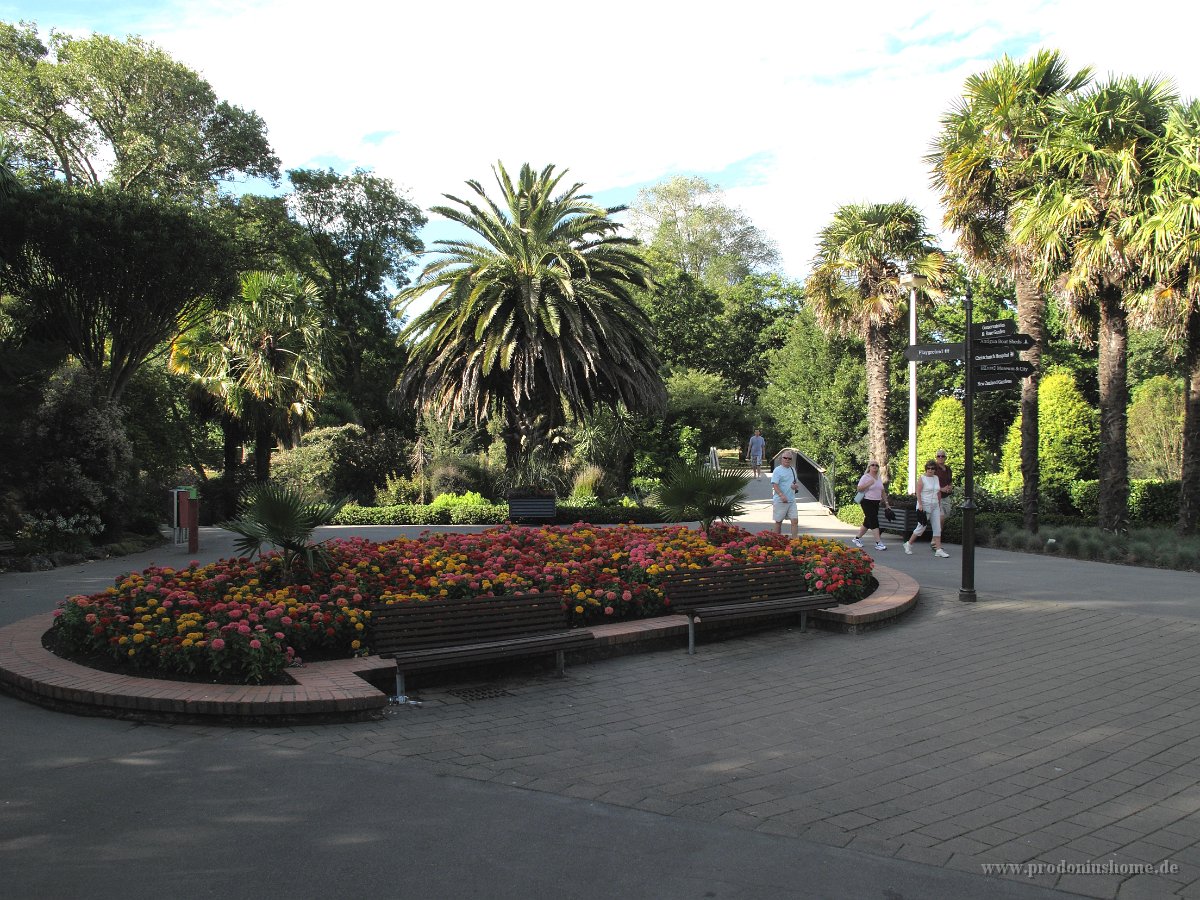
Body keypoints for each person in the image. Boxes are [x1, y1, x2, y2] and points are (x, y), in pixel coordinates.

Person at [904, 460, 950, 557]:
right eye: (928, 468)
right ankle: (908, 544)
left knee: (937, 527)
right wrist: (920, 505)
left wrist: (941, 496)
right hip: (925, 505)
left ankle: (938, 549)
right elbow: (918, 492)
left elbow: (937, 490)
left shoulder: (936, 478)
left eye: (932, 468)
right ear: (926, 469)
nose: (930, 470)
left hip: (935, 505)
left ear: (935, 470)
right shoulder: (922, 478)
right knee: (921, 527)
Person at [850, 462, 891, 552]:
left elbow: (882, 491)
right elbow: (859, 489)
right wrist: (869, 483)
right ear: (869, 467)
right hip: (866, 501)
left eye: (876, 465)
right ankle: (878, 543)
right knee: (873, 520)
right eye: (873, 465)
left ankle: (857, 538)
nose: (875, 467)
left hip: (876, 502)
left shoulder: (879, 478)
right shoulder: (866, 477)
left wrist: (887, 503)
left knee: (868, 522)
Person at [770, 451, 801, 538]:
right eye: (785, 458)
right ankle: (777, 541)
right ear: (781, 459)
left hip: (791, 500)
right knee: (778, 521)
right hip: (780, 500)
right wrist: (781, 495)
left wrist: (794, 486)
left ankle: (795, 542)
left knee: (795, 521)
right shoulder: (777, 470)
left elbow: (795, 482)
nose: (787, 460)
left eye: (789, 458)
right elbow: (774, 484)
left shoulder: (792, 469)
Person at [933, 449, 954, 524]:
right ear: (936, 457)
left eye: (942, 456)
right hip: (937, 497)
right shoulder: (933, 469)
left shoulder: (948, 469)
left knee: (946, 517)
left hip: (946, 497)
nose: (940, 458)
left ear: (945, 458)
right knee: (940, 518)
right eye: (938, 456)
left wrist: (950, 487)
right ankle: (938, 535)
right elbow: (930, 484)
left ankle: (940, 534)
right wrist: (941, 489)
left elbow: (950, 481)